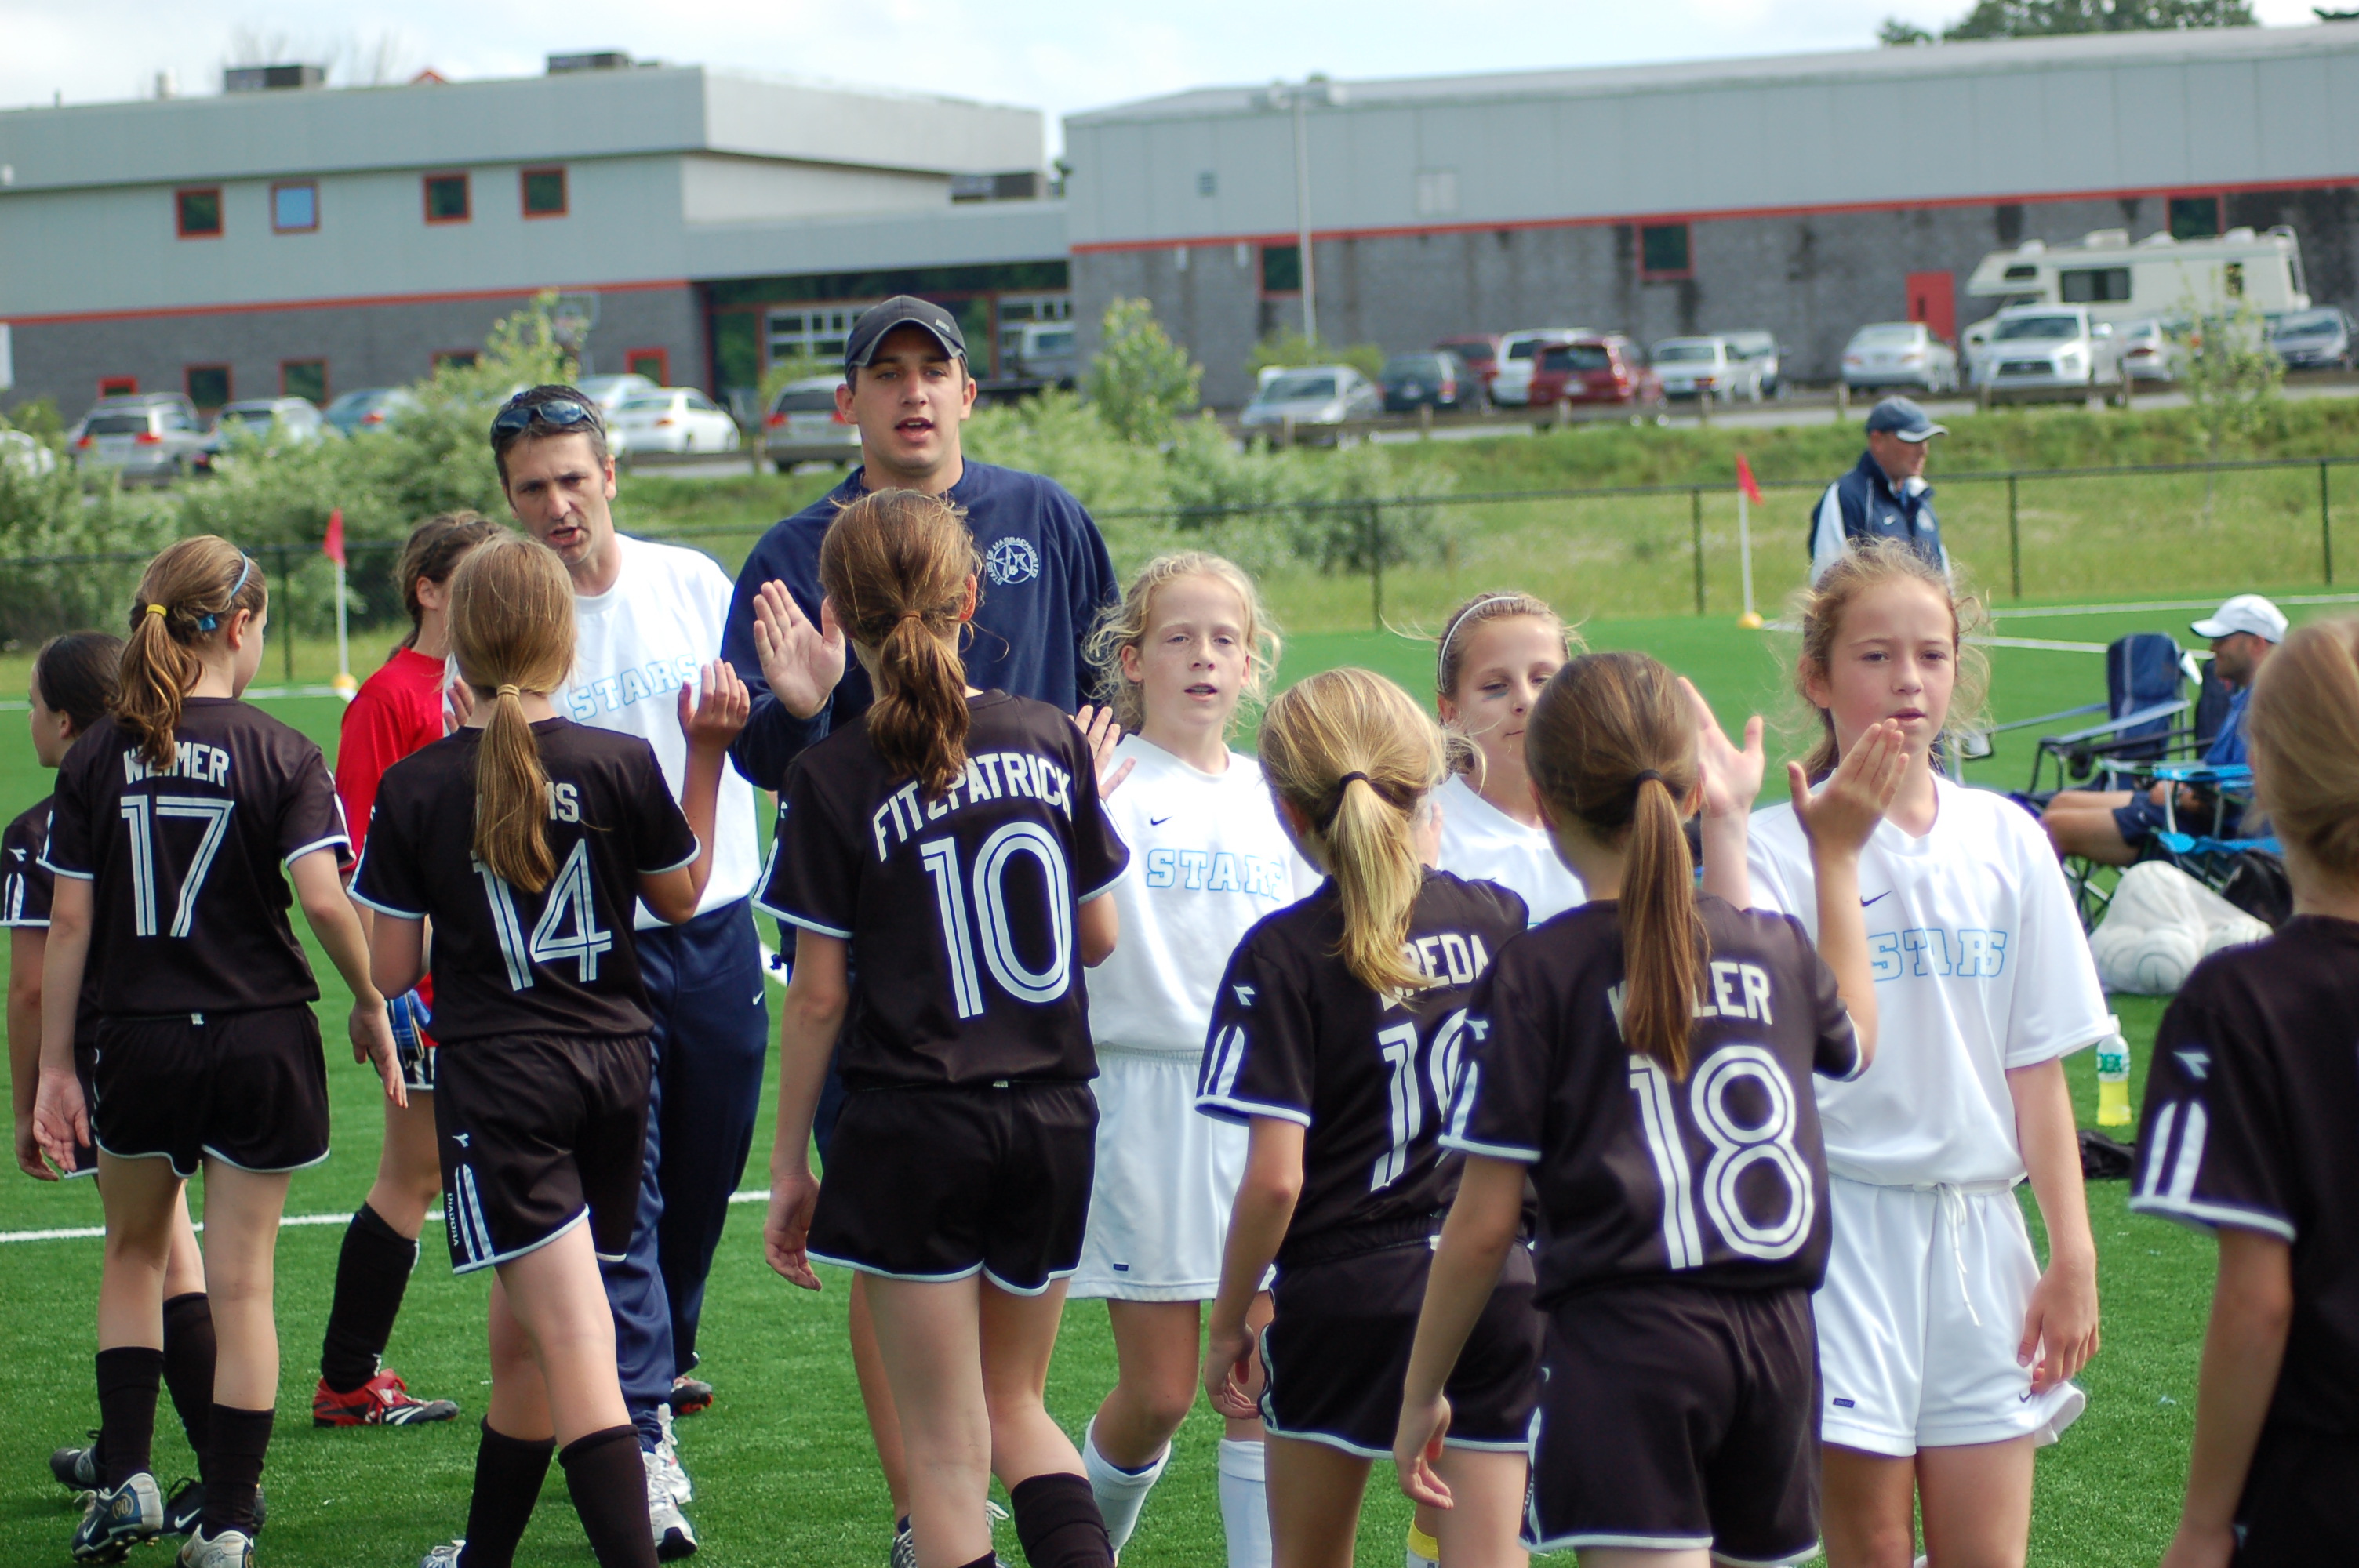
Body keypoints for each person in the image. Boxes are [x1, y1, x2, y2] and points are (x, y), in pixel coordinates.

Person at [720, 295, 1119, 1554]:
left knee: (952, 1455)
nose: (911, 391)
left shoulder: (843, 772)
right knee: (1016, 1408)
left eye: (931, 369)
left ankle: (925, 1525)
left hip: (912, 1085)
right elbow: (1099, 934)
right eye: (884, 372)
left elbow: (819, 990)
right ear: (967, 598)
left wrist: (790, 1161)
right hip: (1049, 1085)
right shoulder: (1039, 736)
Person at [1394, 650, 1902, 1565]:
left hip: (1624, 1345)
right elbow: (1855, 1042)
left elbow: (1482, 1225)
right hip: (1780, 1345)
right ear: (1690, 792)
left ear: (1544, 802)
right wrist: (1834, 856)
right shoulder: (1771, 944)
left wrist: (1420, 1386)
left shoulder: (1539, 970)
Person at [352, 535, 747, 1568]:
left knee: (571, 1343)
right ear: (564, 643)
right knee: (523, 1338)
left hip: (503, 1086)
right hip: (616, 1071)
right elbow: (682, 896)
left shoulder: (421, 783)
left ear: (458, 647)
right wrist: (705, 755)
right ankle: (484, 1554)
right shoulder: (617, 761)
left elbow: (390, 967)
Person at [31, 537, 402, 1568]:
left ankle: (132, 1475)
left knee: (134, 1253)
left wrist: (56, 1065)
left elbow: (70, 924)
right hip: (259, 1039)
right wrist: (369, 999)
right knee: (242, 1287)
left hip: (139, 1038)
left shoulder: (97, 754)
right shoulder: (283, 748)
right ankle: (230, 1521)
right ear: (241, 626)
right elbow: (323, 899)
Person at [1743, 541, 2110, 1568]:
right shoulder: (1769, 850)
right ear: (1816, 678)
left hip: (1980, 1240)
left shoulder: (2006, 839)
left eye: (1932, 655)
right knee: (1868, 1545)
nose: (1908, 679)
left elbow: (2035, 1067)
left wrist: (2072, 1251)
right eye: (1875, 655)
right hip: (1839, 1235)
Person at [491, 384, 770, 1553]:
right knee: (630, 1200)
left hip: (714, 926)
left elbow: (761, 724)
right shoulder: (511, 614)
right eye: (532, 488)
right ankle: (641, 1426)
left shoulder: (692, 583)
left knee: (702, 1181)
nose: (558, 504)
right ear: (508, 500)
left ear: (610, 476)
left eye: (572, 478)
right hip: (589, 954)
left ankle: (654, 1362)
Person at [1196, 667, 1541, 1568]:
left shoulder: (1280, 953)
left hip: (1343, 1291)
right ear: (1429, 782)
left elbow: (1276, 1179)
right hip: (1494, 1278)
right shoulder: (1498, 918)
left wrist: (1229, 1319)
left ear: (1287, 809)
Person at [1068, 553, 1302, 1568]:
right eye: (1178, 637)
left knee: (1259, 1378)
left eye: (1224, 639)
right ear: (1132, 660)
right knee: (1160, 1393)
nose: (1203, 656)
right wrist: (1070, 811)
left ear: (1250, 664)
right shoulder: (1103, 781)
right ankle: (1079, 1545)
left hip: (1267, 1103)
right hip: (1146, 1099)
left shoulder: (1276, 793)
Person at [2133, 617, 2359, 1568]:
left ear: (2260, 767)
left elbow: (2258, 1300)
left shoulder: (2241, 1001)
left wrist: (2201, 1523)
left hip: (2322, 1481)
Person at [14, 633, 223, 1539]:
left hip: (111, 1056)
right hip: (203, 1040)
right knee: (174, 1250)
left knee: (151, 1253)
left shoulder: (40, 828)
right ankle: (145, 1456)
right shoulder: (170, 793)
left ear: (66, 722)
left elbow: (29, 987)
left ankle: (172, 1471)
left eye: (33, 705)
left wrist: (30, 1096)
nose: (28, 719)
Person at [315, 511, 496, 1431]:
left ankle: (638, 1361)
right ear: (428, 590)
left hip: (496, 975)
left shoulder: (501, 680)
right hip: (429, 987)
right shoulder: (387, 697)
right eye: (472, 577)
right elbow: (356, 857)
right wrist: (385, 994)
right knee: (413, 1173)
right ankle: (348, 1377)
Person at [2041, 593, 2287, 866]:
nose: (2212, 648)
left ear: (2256, 643)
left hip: (2212, 831)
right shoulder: (2252, 696)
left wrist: (2180, 796)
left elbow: (2242, 793)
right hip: (2192, 810)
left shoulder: (2270, 705)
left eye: (2222, 639)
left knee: (2055, 826)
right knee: (2061, 802)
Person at [1432, 590, 1586, 924]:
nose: (1525, 701)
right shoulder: (1426, 830)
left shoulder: (1612, 819)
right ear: (1451, 712)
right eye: (1494, 686)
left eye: (1543, 680)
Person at [1808, 397, 1949, 584]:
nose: (1923, 451)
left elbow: (1944, 578)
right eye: (1912, 440)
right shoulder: (1847, 496)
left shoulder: (1920, 496)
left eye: (1925, 440)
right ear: (1877, 441)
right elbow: (1827, 580)